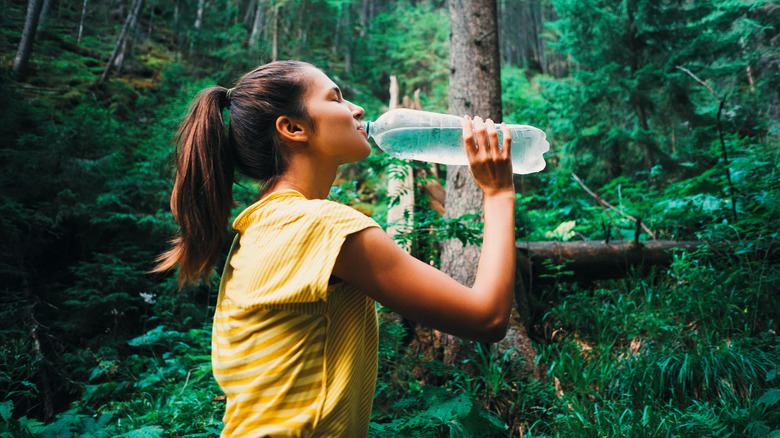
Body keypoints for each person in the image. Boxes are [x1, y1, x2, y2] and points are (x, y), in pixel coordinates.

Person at [153, 60, 516, 437]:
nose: (356, 110)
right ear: (292, 128)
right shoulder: (321, 226)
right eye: (336, 98)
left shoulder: (259, 226)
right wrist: (499, 192)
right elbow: (486, 317)